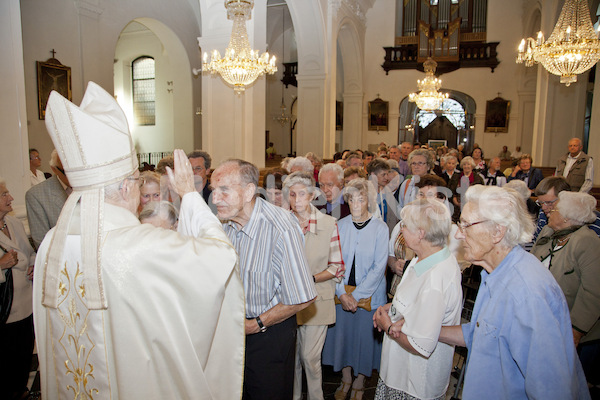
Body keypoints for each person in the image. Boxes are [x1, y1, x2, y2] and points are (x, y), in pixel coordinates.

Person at [33, 82, 246, 400]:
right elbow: (221, 259)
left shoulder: (52, 243)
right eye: (135, 180)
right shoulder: (139, 244)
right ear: (122, 189)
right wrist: (189, 195)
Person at [437, 185, 590, 399]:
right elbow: (482, 333)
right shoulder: (494, 272)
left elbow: (553, 389)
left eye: (466, 225)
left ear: (498, 231)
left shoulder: (526, 293)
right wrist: (425, 329)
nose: (459, 235)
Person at [211, 158, 317, 400]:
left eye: (224, 190)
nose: (215, 199)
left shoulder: (281, 227)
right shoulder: (222, 224)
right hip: (229, 334)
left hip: (268, 335)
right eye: (213, 191)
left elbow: (303, 296)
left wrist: (255, 324)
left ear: (249, 191)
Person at [373, 198, 462, 400]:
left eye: (405, 225)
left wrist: (387, 325)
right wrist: (394, 307)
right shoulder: (425, 257)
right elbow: (417, 301)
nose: (401, 230)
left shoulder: (436, 278)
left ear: (421, 233)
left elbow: (421, 345)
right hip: (400, 372)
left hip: (413, 382)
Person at [322, 178, 388, 400]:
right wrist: (341, 293)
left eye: (361, 199)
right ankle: (346, 378)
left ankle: (360, 381)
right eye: (352, 199)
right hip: (342, 293)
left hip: (368, 296)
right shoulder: (339, 225)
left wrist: (356, 296)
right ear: (347, 201)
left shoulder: (381, 228)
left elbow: (379, 267)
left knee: (363, 341)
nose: (356, 204)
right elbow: (334, 262)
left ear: (369, 200)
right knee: (343, 338)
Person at [282, 172, 345, 400]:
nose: (296, 200)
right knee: (293, 360)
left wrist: (310, 278)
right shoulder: (282, 222)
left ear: (311, 196)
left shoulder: (328, 224)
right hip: (286, 300)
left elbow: (337, 266)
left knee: (310, 358)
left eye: (301, 194)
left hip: (318, 299)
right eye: (292, 194)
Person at [531, 191, 600, 388]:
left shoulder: (587, 241)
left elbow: (593, 292)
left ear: (568, 218)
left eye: (556, 208)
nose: (550, 210)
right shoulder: (548, 233)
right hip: (544, 319)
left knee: (565, 385)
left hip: (571, 328)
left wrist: (575, 331)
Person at [0, 179, 36, 400]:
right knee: (6, 360)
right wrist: (1, 265)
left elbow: (28, 251)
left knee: (23, 354)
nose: (11, 198)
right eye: (4, 194)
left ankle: (22, 390)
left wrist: (32, 263)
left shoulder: (13, 223)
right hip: (5, 309)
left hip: (25, 303)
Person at [25, 149, 70, 249]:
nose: (74, 178)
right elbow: (42, 243)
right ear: (54, 169)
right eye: (67, 173)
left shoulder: (92, 187)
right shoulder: (36, 195)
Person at [533, 176, 600, 242]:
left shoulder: (589, 217)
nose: (544, 207)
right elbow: (537, 242)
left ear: (565, 198)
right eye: (541, 203)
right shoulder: (543, 213)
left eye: (549, 202)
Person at [449, 156, 483, 222]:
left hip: (472, 207)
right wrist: (455, 200)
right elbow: (450, 191)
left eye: (468, 164)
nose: (466, 166)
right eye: (464, 164)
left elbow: (480, 194)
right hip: (456, 207)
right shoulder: (456, 176)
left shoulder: (478, 178)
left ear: (472, 166)